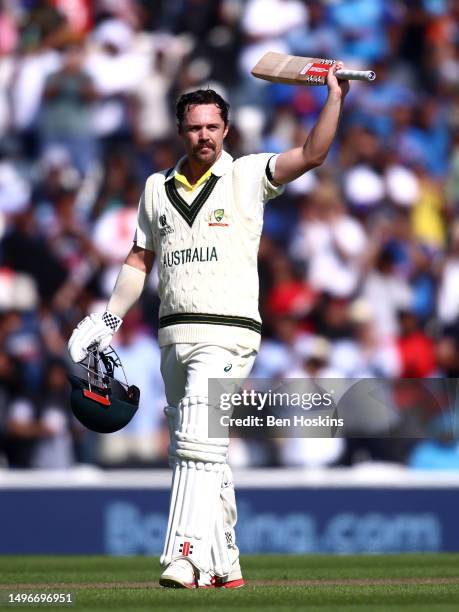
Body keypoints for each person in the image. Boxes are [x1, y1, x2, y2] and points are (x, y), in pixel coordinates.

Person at [68, 63, 349, 588]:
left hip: (229, 332)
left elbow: (311, 154)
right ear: (181, 131)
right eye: (195, 127)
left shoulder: (246, 175)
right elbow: (138, 260)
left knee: (199, 434)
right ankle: (226, 565)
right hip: (173, 334)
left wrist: (333, 97)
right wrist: (106, 318)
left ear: (227, 129)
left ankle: (183, 554)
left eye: (213, 127)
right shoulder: (155, 188)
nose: (204, 136)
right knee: (197, 448)